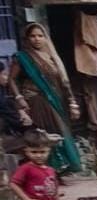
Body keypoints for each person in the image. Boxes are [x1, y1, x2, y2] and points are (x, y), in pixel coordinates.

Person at [9, 23, 81, 173]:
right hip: (35, 100)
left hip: (55, 100)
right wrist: (18, 97)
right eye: (33, 36)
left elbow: (63, 81)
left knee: (60, 132)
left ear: (46, 38)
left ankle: (58, 170)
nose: (37, 39)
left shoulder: (52, 57)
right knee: (44, 134)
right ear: (27, 39)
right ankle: (45, 170)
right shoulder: (22, 57)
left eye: (40, 36)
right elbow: (11, 80)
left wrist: (72, 102)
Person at [0, 62, 32, 153]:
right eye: (4, 74)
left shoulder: (2, 90)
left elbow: (9, 103)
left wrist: (21, 111)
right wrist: (26, 125)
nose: (7, 77)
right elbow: (6, 111)